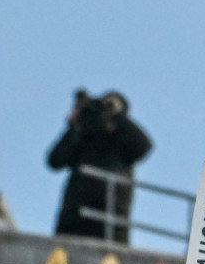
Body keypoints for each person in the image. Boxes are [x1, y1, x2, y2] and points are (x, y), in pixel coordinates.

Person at [47, 89, 153, 244]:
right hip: (74, 221)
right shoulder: (84, 136)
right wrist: (75, 125)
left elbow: (144, 146)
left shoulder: (124, 141)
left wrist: (116, 115)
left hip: (112, 224)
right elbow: (55, 160)